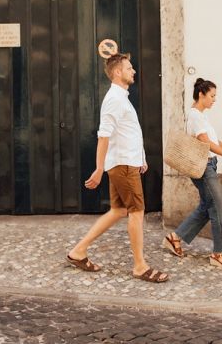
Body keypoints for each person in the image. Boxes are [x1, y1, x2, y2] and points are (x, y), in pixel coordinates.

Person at [67, 53, 169, 283]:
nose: (133, 71)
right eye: (129, 68)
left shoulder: (121, 97)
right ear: (117, 72)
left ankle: (78, 251)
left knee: (119, 211)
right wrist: (98, 168)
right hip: (123, 165)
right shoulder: (114, 99)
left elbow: (128, 132)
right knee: (136, 212)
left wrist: (140, 157)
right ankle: (140, 266)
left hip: (127, 161)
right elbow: (104, 135)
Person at [162, 78, 222, 269]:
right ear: (201, 94)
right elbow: (206, 143)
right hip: (203, 167)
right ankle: (218, 254)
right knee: (219, 208)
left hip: (209, 165)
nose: (214, 100)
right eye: (212, 96)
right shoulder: (195, 116)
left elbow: (213, 140)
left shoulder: (202, 115)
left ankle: (174, 238)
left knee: (206, 207)